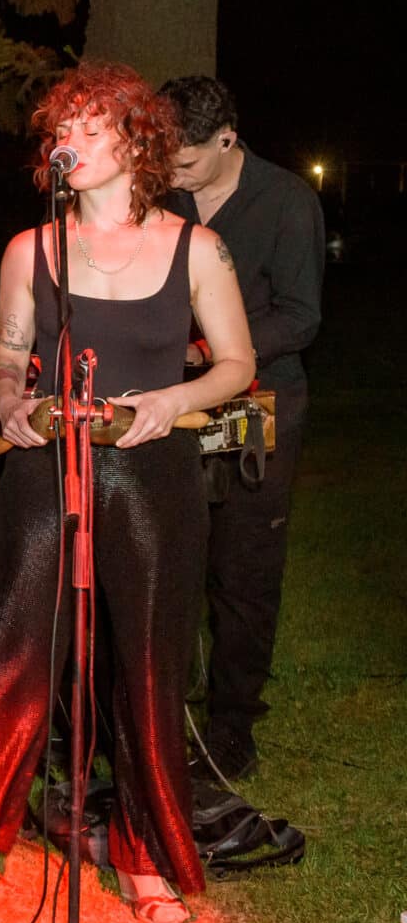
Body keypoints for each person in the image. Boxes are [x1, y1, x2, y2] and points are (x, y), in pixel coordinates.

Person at [0, 64, 254, 923]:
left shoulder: (196, 248)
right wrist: (8, 398)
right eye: (61, 125)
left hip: (151, 474)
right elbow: (11, 350)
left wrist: (174, 400)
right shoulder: (29, 248)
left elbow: (237, 363)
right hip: (47, 466)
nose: (68, 138)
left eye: (90, 123)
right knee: (11, 647)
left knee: (146, 666)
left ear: (136, 142)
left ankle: (146, 857)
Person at [161, 75, 325, 783]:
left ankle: (232, 727)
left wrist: (214, 349)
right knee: (169, 557)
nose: (173, 174)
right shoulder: (164, 197)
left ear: (227, 138)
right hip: (175, 400)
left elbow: (301, 316)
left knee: (245, 570)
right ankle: (157, 713)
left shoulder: (287, 200)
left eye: (187, 160)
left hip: (263, 404)